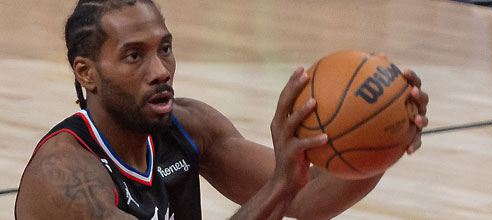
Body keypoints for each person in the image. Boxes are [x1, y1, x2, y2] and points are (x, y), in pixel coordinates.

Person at [14, 0, 429, 219]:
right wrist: (281, 185)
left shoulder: (190, 127)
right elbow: (287, 191)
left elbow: (310, 201)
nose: (160, 70)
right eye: (134, 56)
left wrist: (384, 141)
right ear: (86, 73)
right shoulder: (63, 179)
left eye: (165, 48)